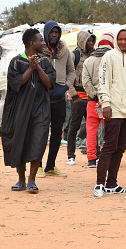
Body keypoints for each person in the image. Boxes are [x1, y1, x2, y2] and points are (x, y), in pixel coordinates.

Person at [1, 29, 55, 194]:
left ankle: (32, 181)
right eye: (40, 40)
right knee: (20, 142)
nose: (43, 43)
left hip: (41, 110)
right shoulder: (16, 62)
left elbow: (49, 84)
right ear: (32, 43)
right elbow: (16, 84)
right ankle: (21, 179)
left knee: (38, 142)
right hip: (20, 110)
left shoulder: (45, 62)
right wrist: (30, 68)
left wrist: (38, 68)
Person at [95, 26, 126, 197]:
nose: (123, 42)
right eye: (120, 39)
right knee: (109, 146)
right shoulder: (109, 57)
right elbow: (103, 81)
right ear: (116, 40)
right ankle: (100, 184)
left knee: (121, 147)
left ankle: (112, 183)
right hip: (113, 109)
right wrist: (105, 103)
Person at [38, 20, 75, 178]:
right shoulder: (39, 51)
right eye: (51, 32)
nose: (54, 35)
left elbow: (71, 71)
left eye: (56, 32)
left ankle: (50, 166)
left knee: (56, 132)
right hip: (43, 97)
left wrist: (66, 86)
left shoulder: (64, 51)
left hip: (59, 96)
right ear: (46, 33)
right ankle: (37, 165)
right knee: (40, 131)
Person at [81, 33, 114, 168]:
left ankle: (91, 159)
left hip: (92, 102)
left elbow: (85, 81)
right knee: (109, 131)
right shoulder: (113, 59)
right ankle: (106, 157)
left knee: (91, 130)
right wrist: (104, 97)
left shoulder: (89, 60)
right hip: (109, 103)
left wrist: (94, 95)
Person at [66, 30, 96, 166]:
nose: (91, 43)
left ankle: (95, 154)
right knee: (74, 126)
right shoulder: (74, 55)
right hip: (78, 96)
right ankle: (70, 155)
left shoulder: (94, 55)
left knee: (92, 127)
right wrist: (73, 95)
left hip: (90, 95)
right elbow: (69, 75)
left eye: (92, 40)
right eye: (88, 40)